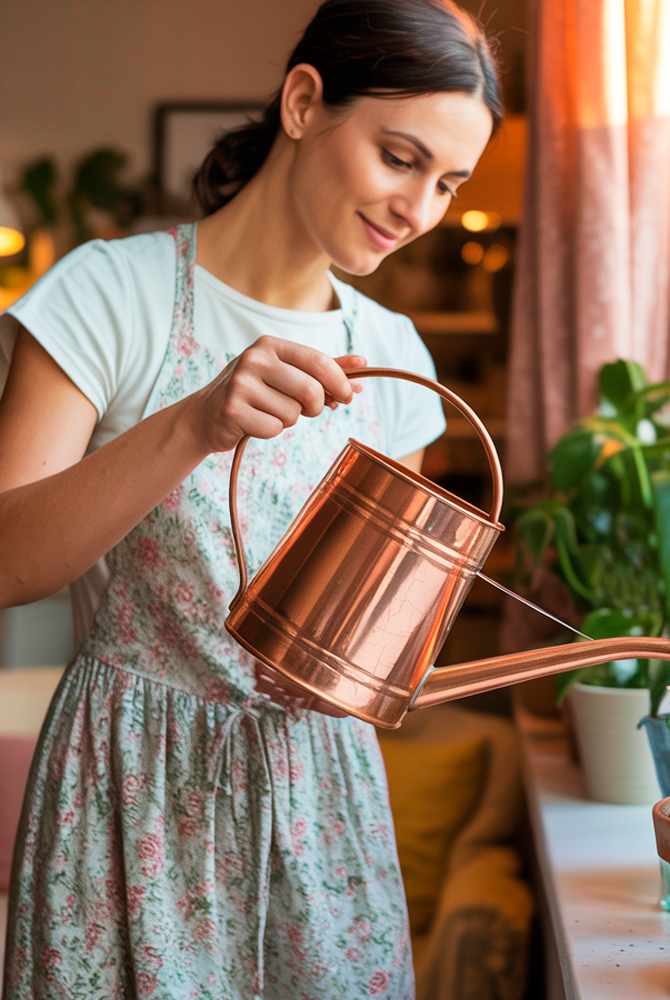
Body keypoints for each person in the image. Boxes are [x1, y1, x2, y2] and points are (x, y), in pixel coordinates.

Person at [0, 1, 501, 996]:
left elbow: (373, 639)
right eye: (400, 158)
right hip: (128, 795)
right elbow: (9, 563)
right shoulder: (110, 295)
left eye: (448, 183)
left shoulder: (395, 362)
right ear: (305, 101)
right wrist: (193, 425)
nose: (419, 211)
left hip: (322, 803)